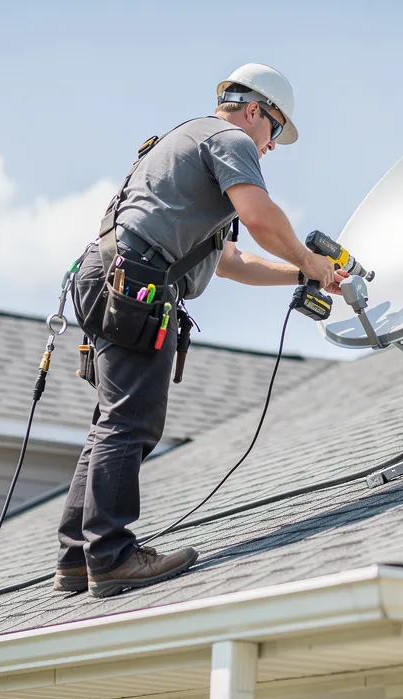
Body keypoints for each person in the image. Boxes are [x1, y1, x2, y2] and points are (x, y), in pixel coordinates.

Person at [54, 63, 345, 598]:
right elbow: (259, 217)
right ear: (255, 110)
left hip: (110, 274)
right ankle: (112, 557)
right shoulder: (231, 138)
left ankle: (78, 559)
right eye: (276, 130)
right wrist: (309, 257)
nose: (273, 146)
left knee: (112, 420)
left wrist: (303, 272)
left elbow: (231, 259)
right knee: (130, 423)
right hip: (136, 282)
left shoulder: (187, 146)